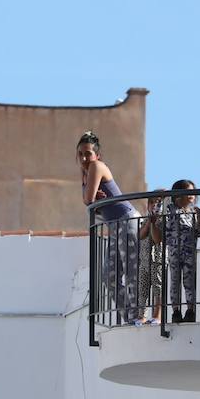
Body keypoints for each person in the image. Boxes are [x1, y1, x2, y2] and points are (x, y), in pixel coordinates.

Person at [78, 130, 140, 326]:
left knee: (131, 272)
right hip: (114, 225)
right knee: (109, 276)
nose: (84, 158)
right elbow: (92, 204)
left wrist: (92, 198)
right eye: (80, 154)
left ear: (98, 155)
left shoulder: (96, 166)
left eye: (88, 153)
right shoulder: (85, 173)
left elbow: (88, 200)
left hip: (126, 220)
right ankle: (129, 317)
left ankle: (137, 316)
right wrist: (93, 199)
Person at [162, 179, 200, 323]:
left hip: (189, 252)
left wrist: (199, 217)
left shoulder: (193, 212)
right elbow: (162, 220)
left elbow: (198, 232)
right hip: (174, 252)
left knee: (189, 282)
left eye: (193, 193)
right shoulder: (170, 208)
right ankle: (176, 311)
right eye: (188, 192)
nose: (192, 196)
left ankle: (190, 310)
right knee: (175, 281)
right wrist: (166, 197)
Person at [137, 191, 166, 324]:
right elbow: (141, 235)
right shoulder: (145, 220)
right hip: (144, 259)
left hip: (157, 259)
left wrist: (153, 224)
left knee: (157, 287)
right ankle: (141, 316)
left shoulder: (163, 220)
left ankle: (157, 315)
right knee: (143, 288)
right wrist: (149, 221)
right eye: (152, 202)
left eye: (158, 203)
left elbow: (157, 238)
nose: (154, 205)